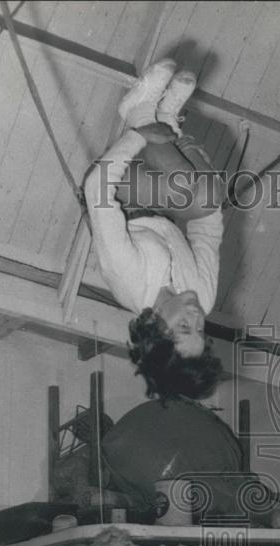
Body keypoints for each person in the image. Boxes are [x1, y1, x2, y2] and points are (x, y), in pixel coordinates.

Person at [83, 59, 225, 402]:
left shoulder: (128, 278)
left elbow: (96, 188)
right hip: (161, 199)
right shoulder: (202, 300)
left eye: (184, 327)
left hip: (115, 190)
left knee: (187, 186)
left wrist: (138, 137)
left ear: (158, 328)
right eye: (201, 330)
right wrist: (202, 175)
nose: (196, 316)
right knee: (207, 194)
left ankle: (141, 113)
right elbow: (207, 230)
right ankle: (166, 120)